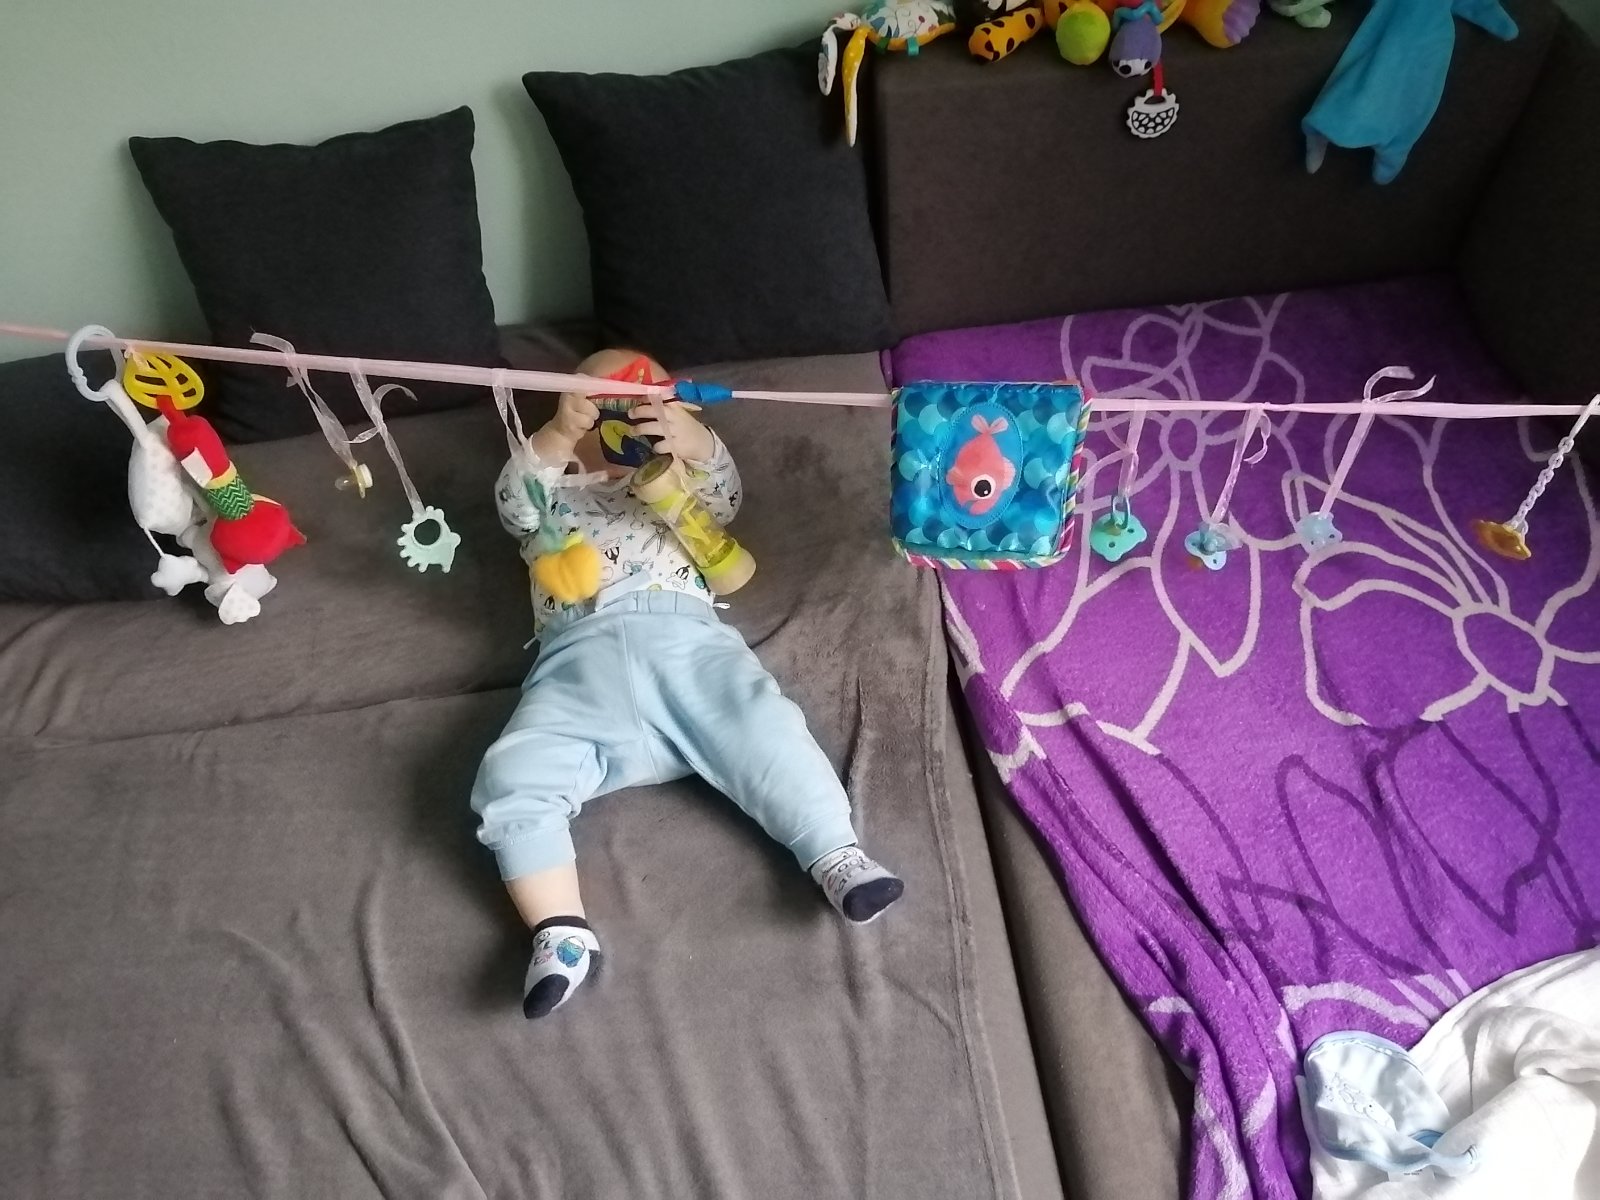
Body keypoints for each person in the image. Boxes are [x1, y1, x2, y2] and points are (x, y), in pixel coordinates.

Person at [472, 348, 904, 1019]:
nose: (616, 418)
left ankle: (835, 854)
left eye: (638, 401)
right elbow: (512, 503)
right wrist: (557, 434)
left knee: (767, 728)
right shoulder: (553, 499)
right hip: (577, 664)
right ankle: (559, 931)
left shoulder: (676, 486)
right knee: (512, 776)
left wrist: (691, 439)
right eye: (594, 402)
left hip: (687, 644)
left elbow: (726, 496)